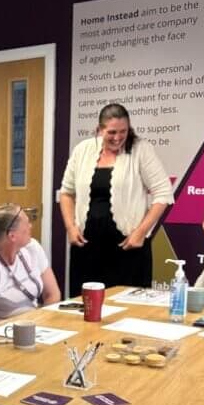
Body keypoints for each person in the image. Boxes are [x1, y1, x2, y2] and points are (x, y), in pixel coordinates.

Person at [59, 103, 174, 296]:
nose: (118, 137)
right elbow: (66, 192)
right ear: (99, 130)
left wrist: (141, 232)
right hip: (87, 248)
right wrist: (71, 227)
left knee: (128, 310)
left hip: (128, 247)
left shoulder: (141, 150)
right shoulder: (82, 150)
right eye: (112, 132)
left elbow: (163, 193)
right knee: (85, 309)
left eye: (123, 131)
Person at [0, 203, 61, 327]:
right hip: (0, 337)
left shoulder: (33, 248)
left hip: (36, 327)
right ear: (12, 236)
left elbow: (53, 294)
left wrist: (39, 323)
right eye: (26, 224)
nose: (30, 226)